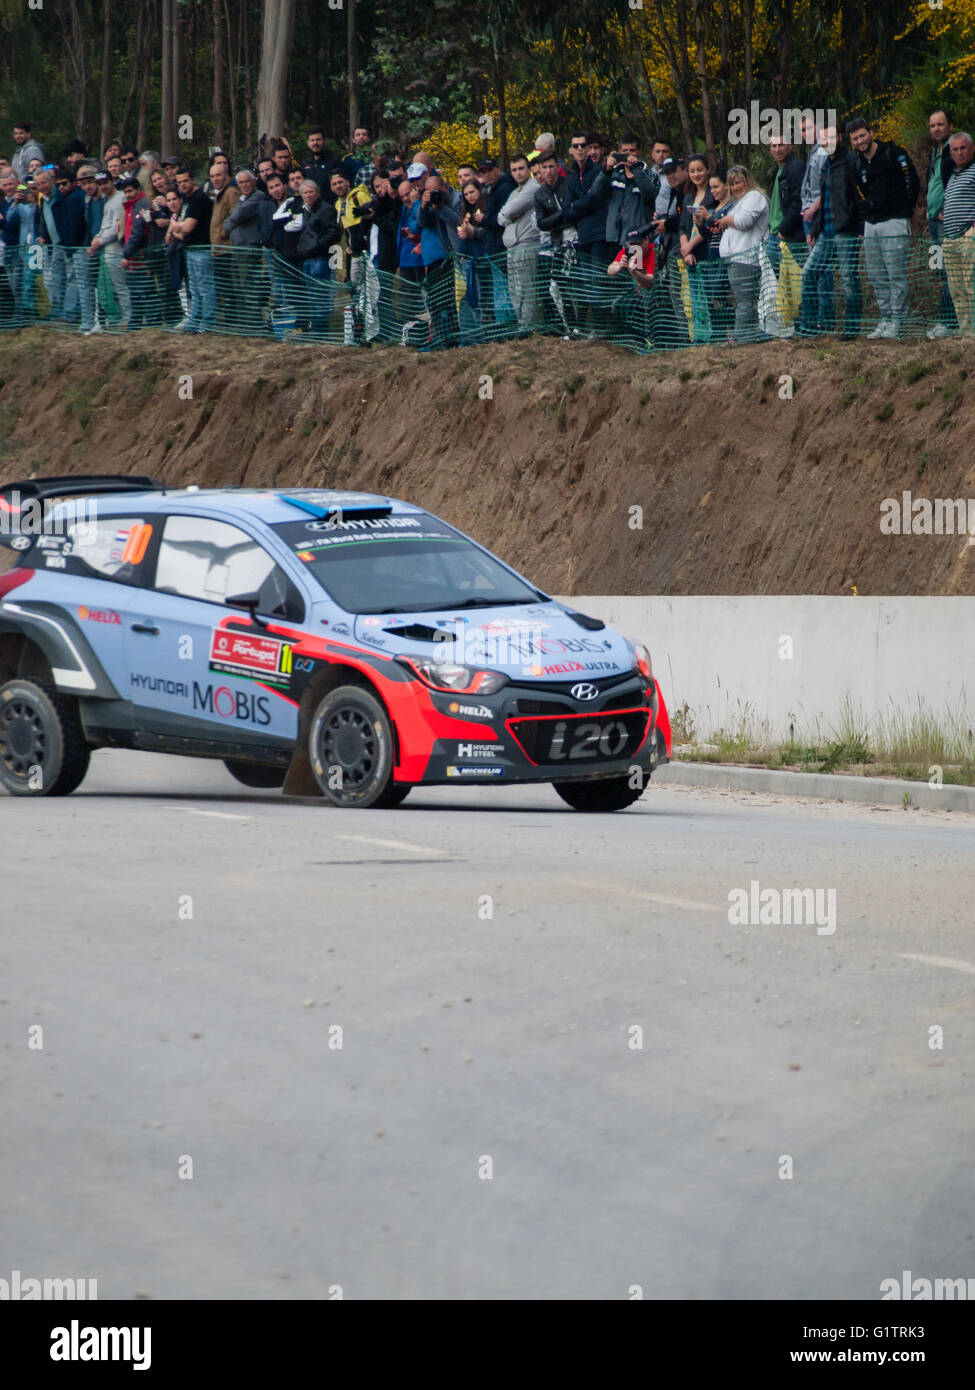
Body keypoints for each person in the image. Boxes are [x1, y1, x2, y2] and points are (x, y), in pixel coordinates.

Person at [847, 117, 919, 338]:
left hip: (894, 221)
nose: (860, 141)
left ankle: (899, 320)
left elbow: (912, 182)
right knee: (877, 275)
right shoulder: (857, 163)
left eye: (862, 135)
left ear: (870, 132)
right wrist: (865, 217)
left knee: (896, 274)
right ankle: (885, 318)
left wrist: (906, 210)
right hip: (871, 224)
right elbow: (860, 193)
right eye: (855, 138)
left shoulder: (893, 153)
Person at [799, 126, 863, 339]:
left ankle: (852, 328)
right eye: (824, 139)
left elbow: (859, 195)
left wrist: (859, 224)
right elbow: (823, 197)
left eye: (832, 137)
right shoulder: (825, 164)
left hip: (846, 230)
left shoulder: (851, 160)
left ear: (840, 138)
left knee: (848, 278)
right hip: (825, 231)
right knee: (808, 273)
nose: (828, 142)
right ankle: (809, 325)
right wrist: (815, 229)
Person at [715, 164, 770, 344]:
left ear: (747, 181)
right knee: (744, 300)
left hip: (746, 259)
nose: (735, 187)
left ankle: (741, 338)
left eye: (738, 182)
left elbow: (744, 221)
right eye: (732, 184)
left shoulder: (755, 196)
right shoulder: (739, 202)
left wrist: (726, 220)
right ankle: (749, 336)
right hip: (736, 259)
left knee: (744, 301)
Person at [223, 167, 270, 333]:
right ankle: (244, 324)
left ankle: (254, 324)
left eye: (246, 181)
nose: (244, 185)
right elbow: (230, 219)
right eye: (241, 182)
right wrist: (231, 220)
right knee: (239, 287)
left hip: (249, 248)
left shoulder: (258, 196)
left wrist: (231, 221)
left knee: (249, 287)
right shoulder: (243, 198)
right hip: (237, 248)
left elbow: (237, 215)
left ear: (253, 182)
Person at [498, 153, 540, 332]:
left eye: (521, 168)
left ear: (529, 169)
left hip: (526, 245)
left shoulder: (533, 187)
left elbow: (508, 212)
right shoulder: (514, 192)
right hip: (512, 247)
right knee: (515, 290)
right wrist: (509, 214)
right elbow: (501, 218)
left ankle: (528, 327)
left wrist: (509, 214)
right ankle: (522, 325)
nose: (518, 173)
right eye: (514, 170)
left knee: (525, 289)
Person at [169, 167, 214, 333]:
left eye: (185, 181)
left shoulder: (198, 198)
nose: (182, 184)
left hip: (202, 249)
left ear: (192, 180)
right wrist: (178, 227)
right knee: (194, 289)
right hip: (191, 248)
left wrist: (175, 225)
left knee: (205, 288)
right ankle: (194, 320)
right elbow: (183, 227)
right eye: (179, 182)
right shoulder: (186, 199)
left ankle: (207, 323)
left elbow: (187, 227)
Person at [652, 155, 691, 347]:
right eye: (667, 173)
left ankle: (690, 337)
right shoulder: (675, 193)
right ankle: (685, 337)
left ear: (684, 170)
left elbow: (686, 219)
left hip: (686, 251)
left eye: (674, 171)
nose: (671, 176)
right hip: (673, 250)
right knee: (676, 295)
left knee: (683, 295)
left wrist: (667, 223)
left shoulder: (689, 191)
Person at [926, 109, 958, 339]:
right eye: (932, 125)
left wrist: (949, 208)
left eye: (940, 124)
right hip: (932, 221)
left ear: (950, 126)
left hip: (947, 222)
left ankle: (949, 321)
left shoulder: (956, 149)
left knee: (950, 271)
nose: (936, 129)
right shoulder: (935, 152)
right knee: (937, 269)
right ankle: (949, 319)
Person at [294, 179, 339, 336]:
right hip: (307, 258)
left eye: (311, 192)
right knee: (311, 295)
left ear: (318, 193)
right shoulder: (305, 210)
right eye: (305, 192)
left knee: (320, 295)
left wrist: (318, 246)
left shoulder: (325, 209)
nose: (308, 195)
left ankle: (320, 330)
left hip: (320, 258)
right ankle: (315, 329)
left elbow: (333, 233)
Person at [941, 131, 975, 335]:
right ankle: (967, 333)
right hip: (951, 240)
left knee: (972, 286)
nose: (960, 153)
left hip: (968, 237)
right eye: (955, 149)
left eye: (963, 148)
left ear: (972, 148)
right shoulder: (953, 175)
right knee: (957, 290)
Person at [604, 135, 660, 255]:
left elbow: (650, 196)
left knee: (635, 267)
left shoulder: (650, 175)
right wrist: (607, 169)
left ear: (639, 151)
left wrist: (636, 168)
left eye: (632, 151)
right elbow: (596, 193)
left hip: (637, 239)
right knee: (613, 267)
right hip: (613, 237)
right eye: (625, 151)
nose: (628, 155)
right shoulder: (614, 173)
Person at [91, 171, 127, 328]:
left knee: (120, 285)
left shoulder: (120, 198)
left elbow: (117, 228)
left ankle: (127, 317)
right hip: (107, 250)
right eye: (100, 184)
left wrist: (99, 241)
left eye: (105, 182)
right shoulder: (107, 201)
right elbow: (105, 225)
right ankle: (120, 317)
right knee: (112, 287)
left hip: (117, 249)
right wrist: (97, 237)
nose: (103, 187)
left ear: (112, 181)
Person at [119, 174, 155, 329]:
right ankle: (136, 324)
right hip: (134, 257)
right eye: (125, 192)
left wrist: (126, 254)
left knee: (145, 292)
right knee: (135, 292)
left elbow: (139, 231)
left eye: (130, 191)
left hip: (140, 257)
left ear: (138, 189)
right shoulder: (132, 205)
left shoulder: (141, 205)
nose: (128, 194)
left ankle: (152, 323)